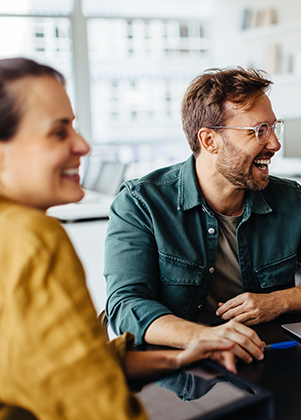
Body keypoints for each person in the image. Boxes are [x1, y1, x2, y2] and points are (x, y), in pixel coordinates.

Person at [0, 57, 237, 420]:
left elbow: (64, 364)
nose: (82, 145)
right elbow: (92, 402)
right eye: (58, 131)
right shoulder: (33, 239)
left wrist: (177, 356)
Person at [104, 67, 301, 361]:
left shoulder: (291, 199)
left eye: (274, 127)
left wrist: (278, 301)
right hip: (177, 374)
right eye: (260, 131)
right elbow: (125, 305)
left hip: (265, 361)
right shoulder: (140, 202)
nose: (275, 144)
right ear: (210, 141)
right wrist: (206, 337)